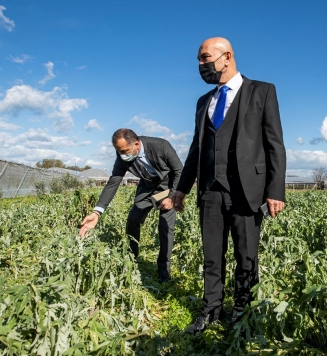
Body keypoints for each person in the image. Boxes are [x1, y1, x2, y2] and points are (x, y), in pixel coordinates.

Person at [171, 37, 286, 334]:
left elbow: (275, 144)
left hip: (248, 189)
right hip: (210, 189)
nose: (201, 64)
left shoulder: (262, 91)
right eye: (199, 59)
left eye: (205, 57)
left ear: (227, 57)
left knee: (246, 255)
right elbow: (196, 148)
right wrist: (181, 188)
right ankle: (211, 310)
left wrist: (275, 191)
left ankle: (242, 311)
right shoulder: (202, 102)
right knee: (212, 254)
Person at [79, 128, 183, 283]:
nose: (122, 155)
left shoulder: (160, 146)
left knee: (165, 227)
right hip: (147, 189)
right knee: (133, 219)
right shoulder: (122, 155)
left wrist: (171, 197)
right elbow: (114, 181)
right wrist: (97, 212)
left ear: (136, 144)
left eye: (125, 151)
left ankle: (164, 272)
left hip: (168, 188)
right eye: (119, 151)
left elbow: (179, 171)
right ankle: (131, 259)